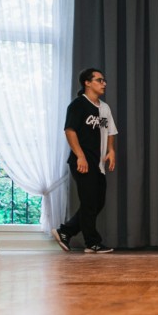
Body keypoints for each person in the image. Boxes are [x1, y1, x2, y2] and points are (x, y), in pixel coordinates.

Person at [52, 68, 119, 253]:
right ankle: (92, 242)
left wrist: (111, 150)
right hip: (82, 162)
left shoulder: (104, 108)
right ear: (87, 83)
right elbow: (70, 131)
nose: (104, 83)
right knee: (89, 202)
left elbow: (111, 130)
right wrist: (80, 156)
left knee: (97, 202)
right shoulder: (78, 105)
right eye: (99, 80)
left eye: (104, 80)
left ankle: (65, 231)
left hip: (98, 164)